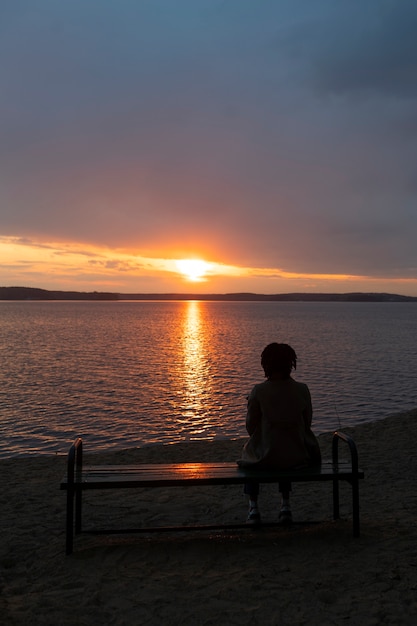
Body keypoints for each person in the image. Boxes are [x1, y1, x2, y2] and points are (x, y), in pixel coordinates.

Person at [238, 342, 321, 525]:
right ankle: (285, 506)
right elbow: (307, 424)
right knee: (286, 447)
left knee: (250, 457)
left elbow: (250, 428)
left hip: (267, 457)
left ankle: (253, 508)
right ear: (290, 364)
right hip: (297, 457)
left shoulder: (258, 391)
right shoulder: (302, 389)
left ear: (265, 365)